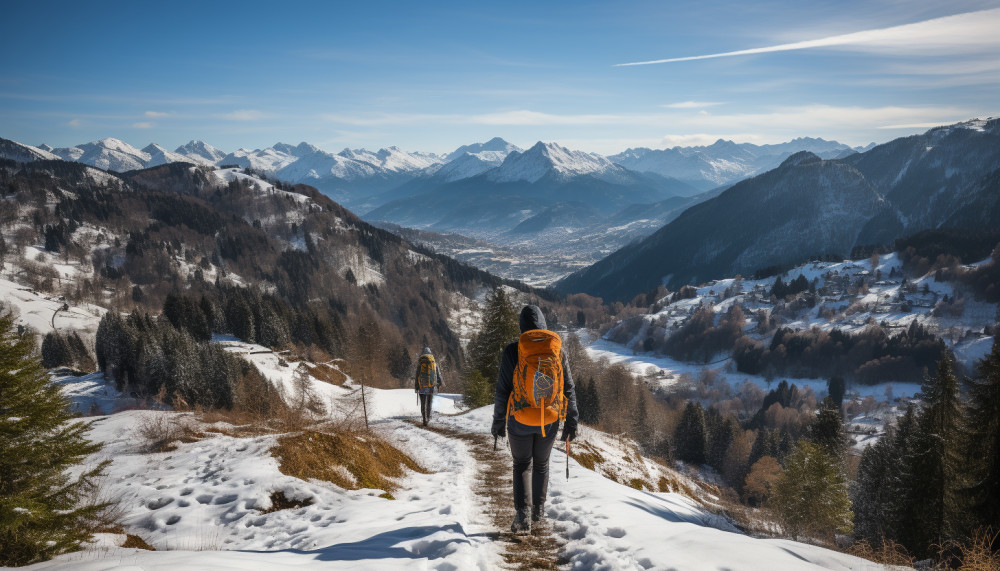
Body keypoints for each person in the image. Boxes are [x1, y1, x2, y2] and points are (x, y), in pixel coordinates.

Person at [491, 305, 578, 534]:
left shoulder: (513, 350)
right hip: (549, 418)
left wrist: (498, 421)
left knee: (522, 464)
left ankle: (523, 516)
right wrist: (571, 421)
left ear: (522, 327)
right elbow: (568, 388)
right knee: (541, 463)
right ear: (544, 325)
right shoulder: (557, 351)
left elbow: (502, 390)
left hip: (519, 418)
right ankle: (538, 510)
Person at [414, 347, 443, 426]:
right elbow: (438, 374)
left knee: (423, 403)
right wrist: (439, 384)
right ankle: (428, 417)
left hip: (422, 386)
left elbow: (417, 375)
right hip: (431, 386)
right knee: (429, 402)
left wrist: (416, 386)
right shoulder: (433, 363)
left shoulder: (420, 363)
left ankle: (424, 419)